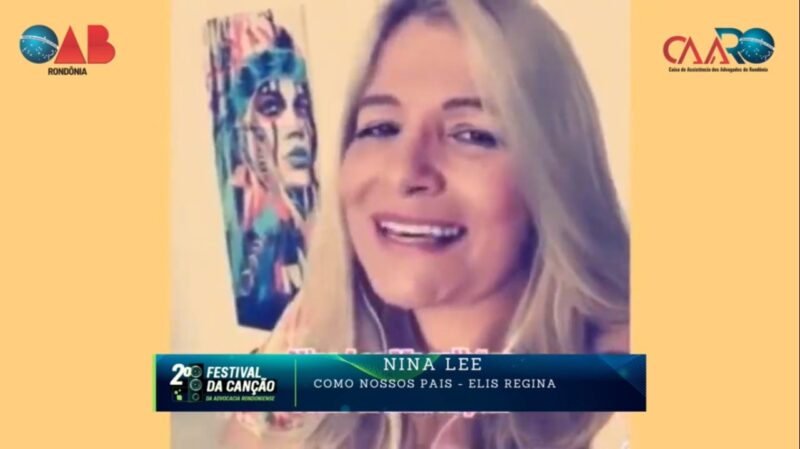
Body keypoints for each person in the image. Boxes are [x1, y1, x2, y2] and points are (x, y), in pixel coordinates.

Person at [222, 0, 629, 447]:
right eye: (381, 127)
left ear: (555, 173)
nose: (405, 171)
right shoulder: (316, 326)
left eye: (471, 134)